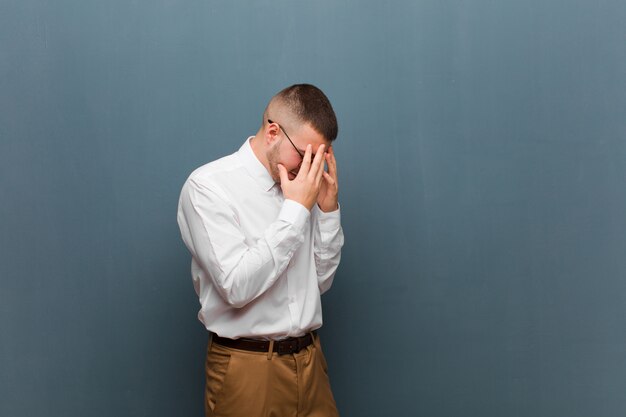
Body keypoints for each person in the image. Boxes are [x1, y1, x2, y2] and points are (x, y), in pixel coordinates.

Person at [177, 84, 344, 417]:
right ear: (273, 132)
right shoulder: (208, 187)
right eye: (305, 154)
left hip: (311, 364)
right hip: (247, 369)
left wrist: (327, 211)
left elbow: (319, 283)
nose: (310, 168)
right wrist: (296, 211)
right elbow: (236, 287)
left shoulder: (301, 186)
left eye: (319, 157)